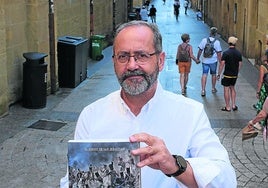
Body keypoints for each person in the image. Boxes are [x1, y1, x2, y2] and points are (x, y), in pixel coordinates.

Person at [60, 21, 236, 188]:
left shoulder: (190, 113)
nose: (131, 65)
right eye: (123, 56)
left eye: (141, 55)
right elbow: (71, 180)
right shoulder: (91, 115)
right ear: (113, 61)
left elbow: (225, 180)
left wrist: (175, 165)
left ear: (160, 60)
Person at [217, 36, 242, 111]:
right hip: (234, 75)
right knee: (232, 88)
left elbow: (222, 64)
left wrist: (219, 74)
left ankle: (227, 106)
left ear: (229, 43)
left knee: (226, 89)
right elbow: (240, 64)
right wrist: (237, 71)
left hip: (227, 74)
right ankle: (234, 105)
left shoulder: (226, 53)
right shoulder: (238, 53)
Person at [197, 27, 222, 97]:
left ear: (210, 33)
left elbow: (200, 50)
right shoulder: (217, 42)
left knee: (204, 74)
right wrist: (220, 62)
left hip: (205, 61)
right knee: (213, 74)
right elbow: (219, 53)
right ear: (216, 34)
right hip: (213, 61)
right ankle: (213, 88)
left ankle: (203, 90)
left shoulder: (204, 40)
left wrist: (198, 58)